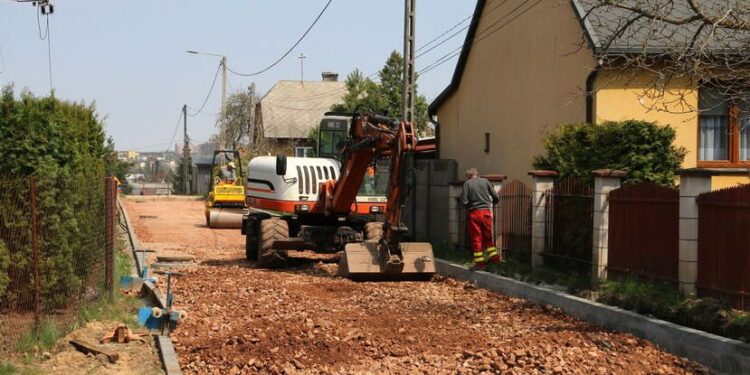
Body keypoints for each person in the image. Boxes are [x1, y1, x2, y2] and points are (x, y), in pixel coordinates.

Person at [461, 167, 500, 271]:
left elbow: (464, 201)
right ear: (477, 174)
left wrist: (470, 205)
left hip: (474, 214)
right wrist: (492, 203)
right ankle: (495, 259)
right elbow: (496, 197)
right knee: (487, 237)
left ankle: (480, 263)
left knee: (477, 238)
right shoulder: (485, 181)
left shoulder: (467, 184)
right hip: (486, 212)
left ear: (468, 176)